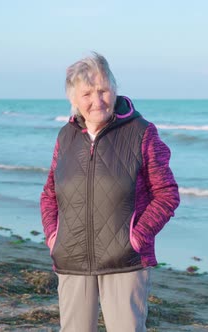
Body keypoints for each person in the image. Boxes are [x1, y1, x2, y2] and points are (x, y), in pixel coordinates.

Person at [40, 52, 180, 332]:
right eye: (87, 93)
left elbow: (166, 193)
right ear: (74, 99)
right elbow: (49, 194)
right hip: (71, 260)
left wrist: (137, 238)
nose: (97, 100)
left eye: (103, 90)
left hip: (125, 261)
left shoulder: (142, 132)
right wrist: (55, 238)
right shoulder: (65, 137)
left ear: (114, 89)